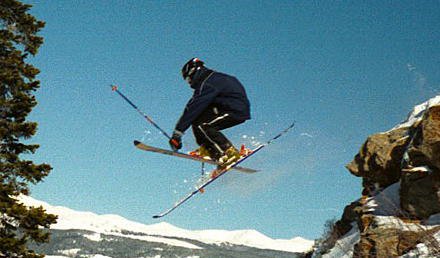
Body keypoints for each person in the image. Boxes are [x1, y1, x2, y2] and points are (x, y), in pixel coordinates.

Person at [169, 57, 251, 167]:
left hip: (233, 110)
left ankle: (228, 152)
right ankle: (213, 152)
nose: (190, 84)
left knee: (204, 125)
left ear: (193, 73)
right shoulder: (213, 78)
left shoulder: (208, 83)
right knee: (198, 121)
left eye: (188, 80)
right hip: (230, 107)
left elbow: (193, 107)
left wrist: (177, 133)